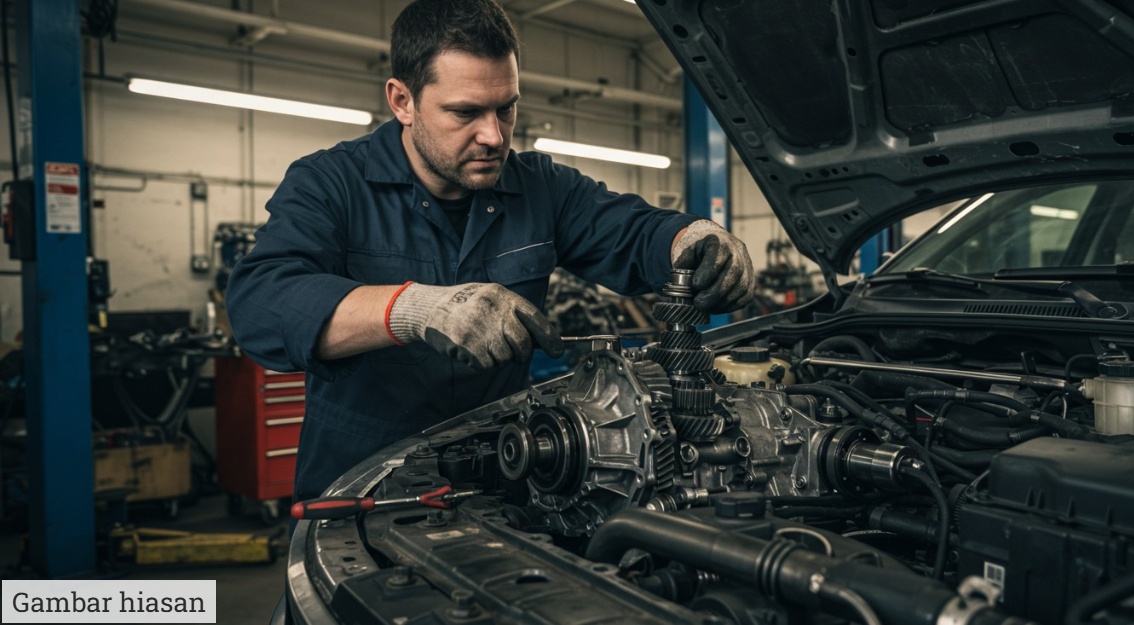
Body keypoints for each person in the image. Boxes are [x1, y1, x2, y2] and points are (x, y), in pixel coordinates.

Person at [225, 0, 755, 504]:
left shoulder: (540, 188)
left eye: (507, 109)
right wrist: (412, 309)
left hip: (510, 475)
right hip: (362, 484)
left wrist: (693, 239)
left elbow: (632, 231)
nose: (494, 135)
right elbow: (262, 303)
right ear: (402, 101)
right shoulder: (330, 183)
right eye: (465, 112)